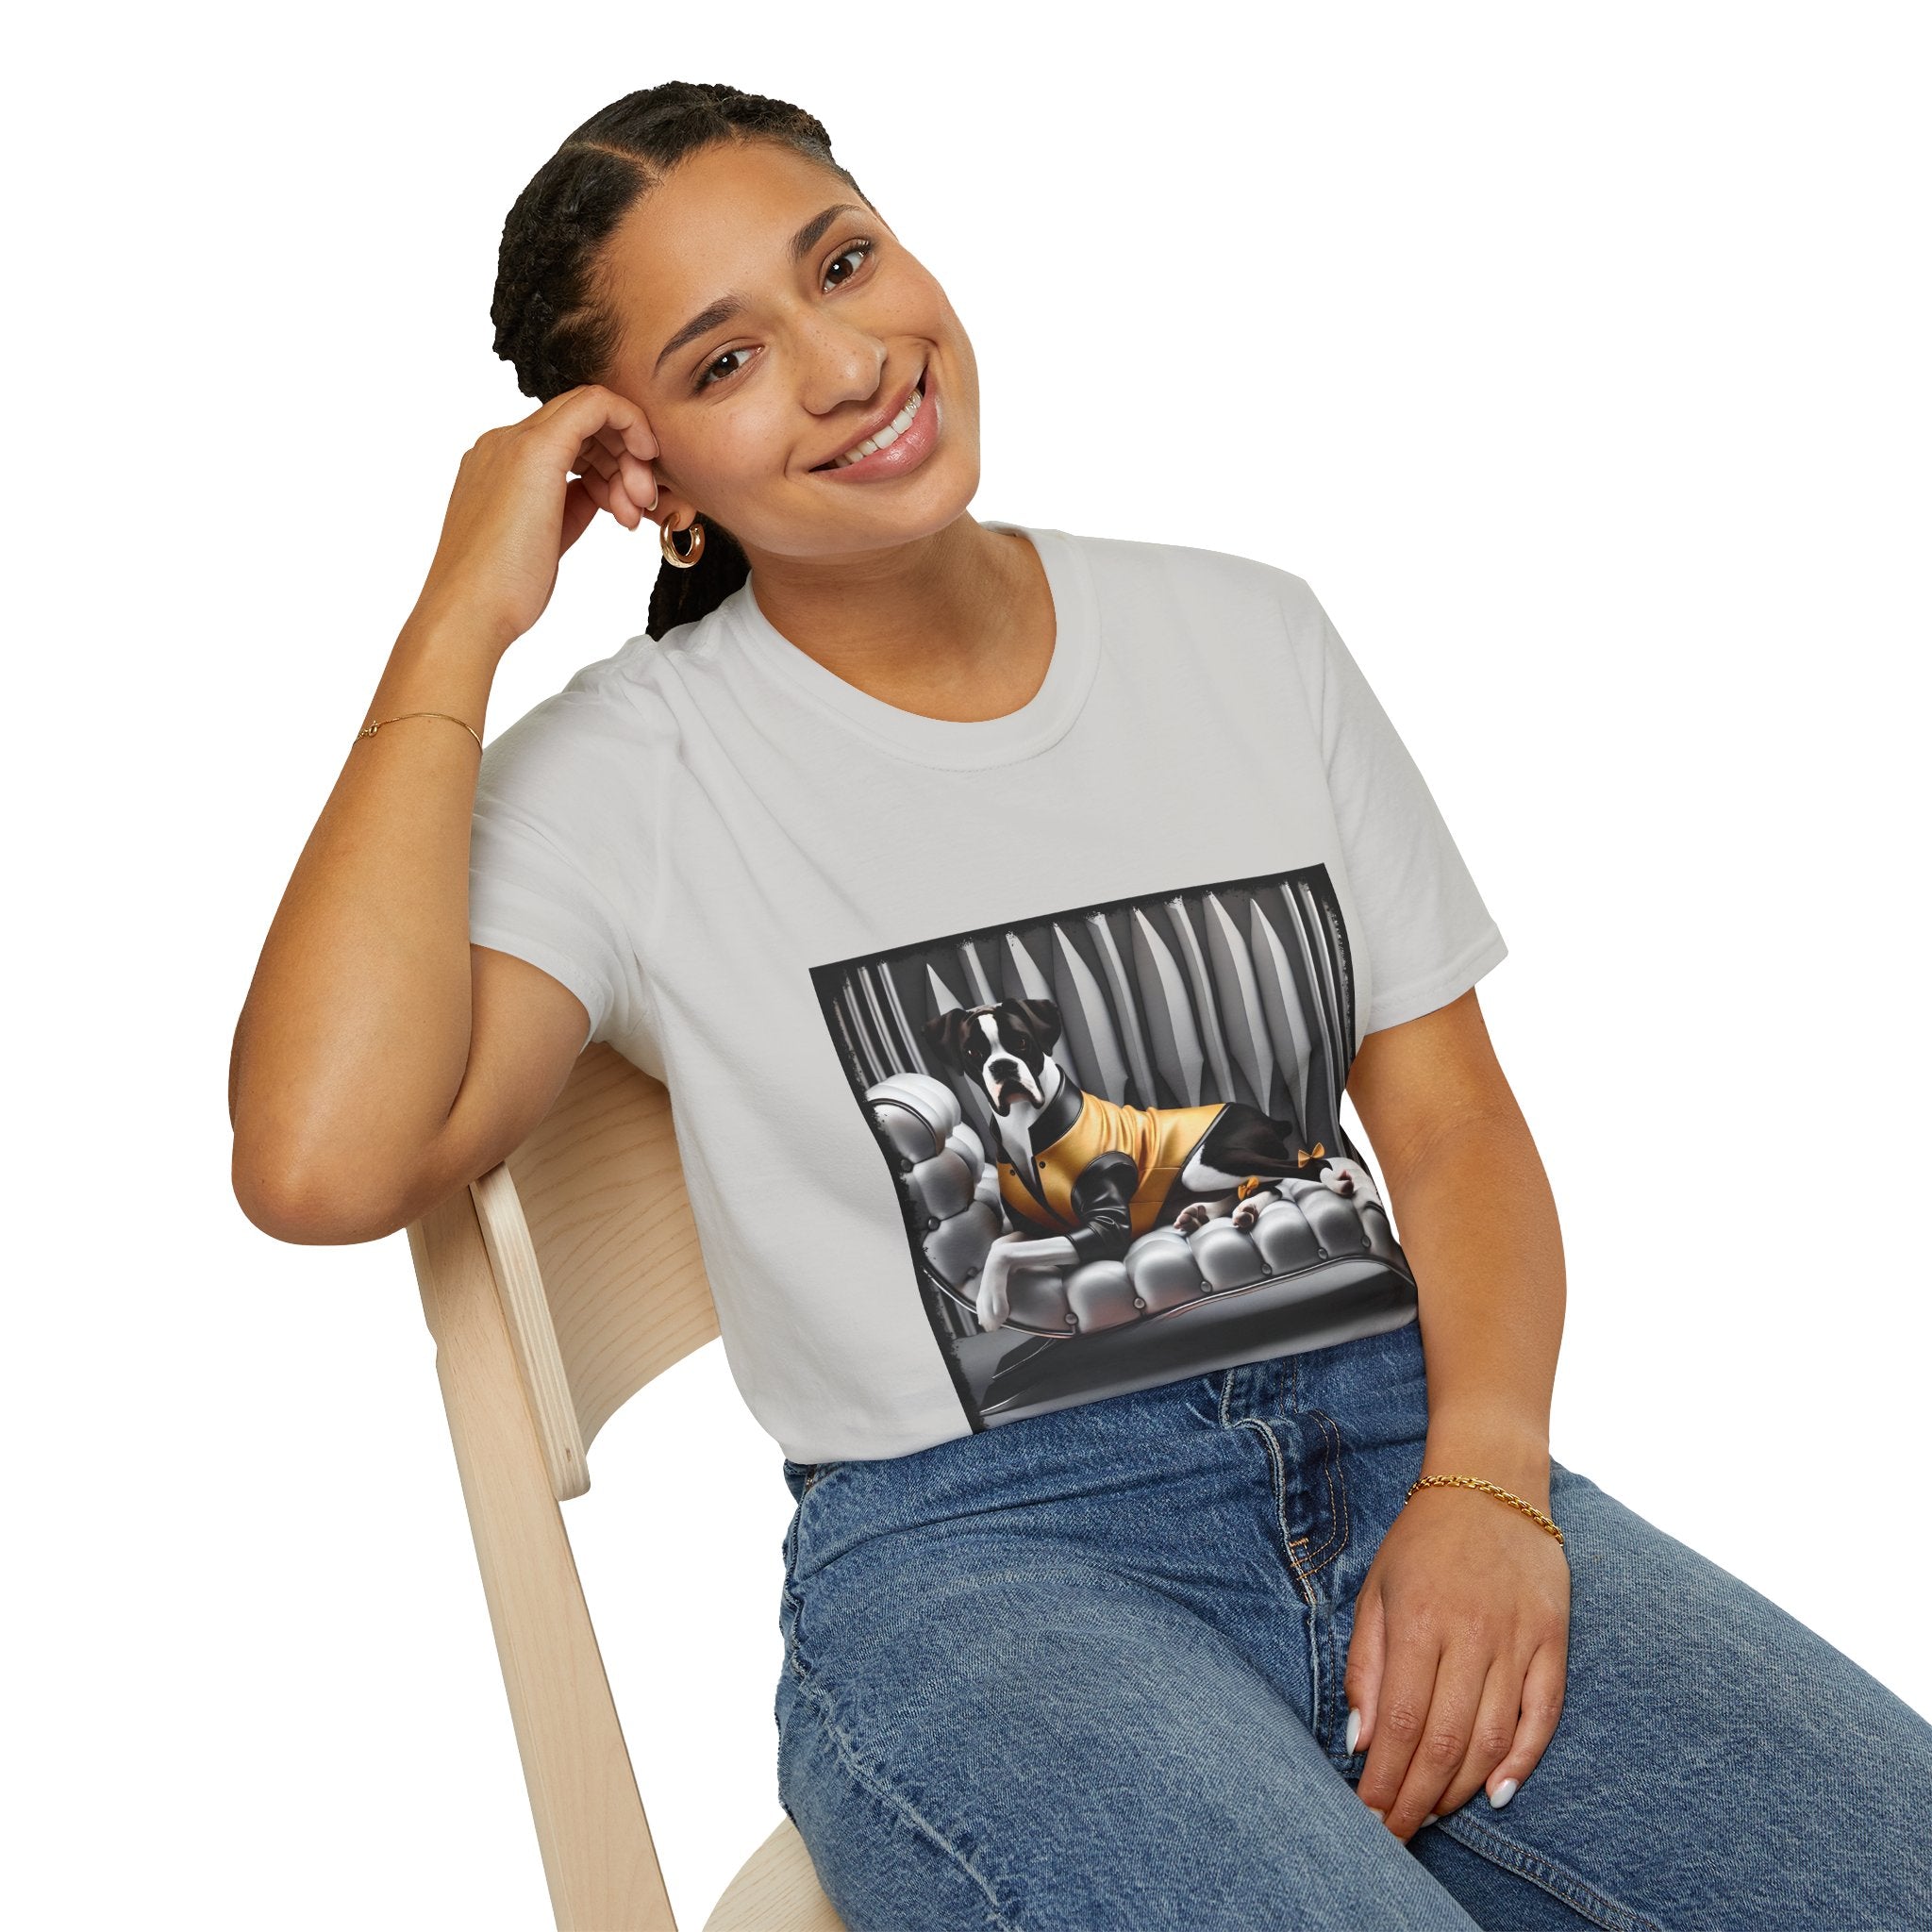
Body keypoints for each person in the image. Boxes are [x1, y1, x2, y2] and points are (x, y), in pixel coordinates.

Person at [228, 80, 1932, 1931]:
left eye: (843, 264)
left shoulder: (1248, 637)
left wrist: (1490, 1486)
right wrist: (457, 618)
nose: (847, 365)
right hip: (989, 1569)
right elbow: (320, 1161)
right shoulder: (632, 775)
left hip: (1406, 1447)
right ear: (650, 481)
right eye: (726, 361)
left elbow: (1451, 1130)